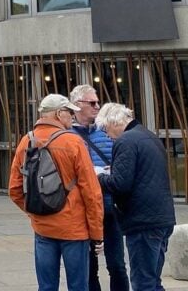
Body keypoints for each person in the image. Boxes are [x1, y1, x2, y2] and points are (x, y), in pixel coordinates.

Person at [10, 93, 104, 291]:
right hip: (74, 227)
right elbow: (92, 192)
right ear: (59, 114)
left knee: (46, 287)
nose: (72, 116)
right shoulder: (73, 142)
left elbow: (15, 189)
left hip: (43, 228)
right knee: (78, 286)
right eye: (70, 112)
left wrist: (35, 212)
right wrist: (97, 234)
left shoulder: (26, 141)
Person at [96, 102, 176, 291]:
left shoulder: (126, 141)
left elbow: (120, 184)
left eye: (106, 129)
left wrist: (98, 177)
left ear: (114, 122)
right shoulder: (149, 136)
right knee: (153, 281)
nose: (107, 135)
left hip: (142, 222)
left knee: (142, 283)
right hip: (162, 218)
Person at [68, 85, 128, 291]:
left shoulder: (106, 133)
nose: (97, 107)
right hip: (83, 211)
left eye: (97, 102)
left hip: (110, 207)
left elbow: (121, 166)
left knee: (117, 265)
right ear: (77, 106)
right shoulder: (68, 136)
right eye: (92, 103)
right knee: (88, 268)